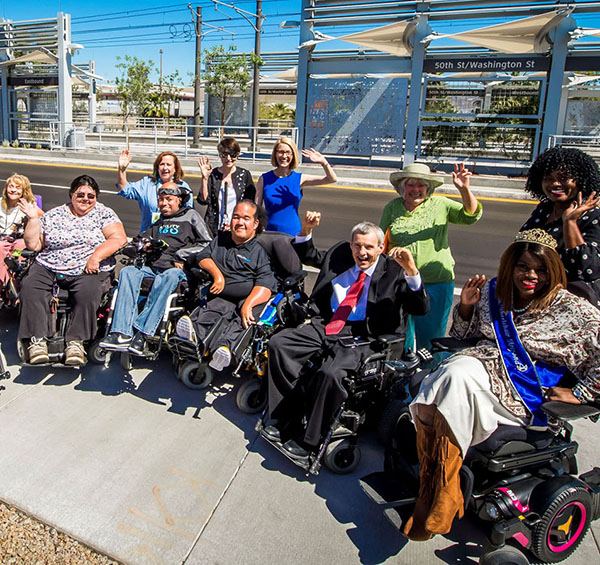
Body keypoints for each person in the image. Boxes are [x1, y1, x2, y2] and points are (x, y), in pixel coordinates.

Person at [404, 229, 600, 542]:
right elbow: (466, 337)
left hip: (522, 395)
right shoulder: (495, 292)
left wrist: (580, 393)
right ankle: (439, 487)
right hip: (477, 372)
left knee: (451, 378)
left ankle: (439, 496)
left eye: (541, 269)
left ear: (553, 270)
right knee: (435, 390)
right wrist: (466, 307)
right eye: (523, 267)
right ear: (511, 266)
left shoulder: (573, 310)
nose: (531, 275)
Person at [262, 211, 429, 459]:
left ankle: (311, 439)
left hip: (366, 335)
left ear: (381, 247)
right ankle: (284, 416)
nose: (362, 253)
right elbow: (309, 256)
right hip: (329, 322)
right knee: (279, 344)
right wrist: (306, 230)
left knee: (331, 373)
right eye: (358, 246)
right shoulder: (341, 253)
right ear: (351, 244)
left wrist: (412, 272)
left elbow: (420, 308)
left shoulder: (394, 270)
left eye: (369, 248)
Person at [18, 175, 127, 366]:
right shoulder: (55, 214)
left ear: (96, 197)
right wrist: (33, 219)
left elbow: (118, 239)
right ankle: (37, 340)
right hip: (50, 264)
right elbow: (34, 244)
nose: (85, 198)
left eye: (91, 196)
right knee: (31, 284)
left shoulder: (104, 214)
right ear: (72, 194)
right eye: (81, 194)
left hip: (88, 267)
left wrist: (95, 257)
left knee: (89, 291)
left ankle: (76, 343)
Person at [380, 162, 482, 354]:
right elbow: (380, 240)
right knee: (402, 333)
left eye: (421, 185)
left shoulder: (440, 204)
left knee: (432, 336)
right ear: (402, 186)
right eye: (411, 184)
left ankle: (431, 377)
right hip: (403, 282)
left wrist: (464, 189)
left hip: (436, 281)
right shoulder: (392, 208)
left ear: (428, 188)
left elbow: (470, 215)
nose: (416, 189)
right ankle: (405, 374)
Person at [100, 184, 212, 355]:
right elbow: (139, 239)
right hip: (153, 268)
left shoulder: (191, 216)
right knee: (127, 272)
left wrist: (182, 254)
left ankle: (143, 333)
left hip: (178, 270)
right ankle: (121, 332)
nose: (164, 203)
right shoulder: (159, 221)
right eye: (161, 199)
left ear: (179, 200)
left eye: (169, 199)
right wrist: (143, 246)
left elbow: (207, 243)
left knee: (167, 276)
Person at [178, 200, 277, 372]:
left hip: (248, 297)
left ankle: (224, 350)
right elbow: (203, 256)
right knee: (212, 309)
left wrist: (248, 304)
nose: (240, 222)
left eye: (245, 218)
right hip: (221, 294)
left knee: (245, 319)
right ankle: (191, 336)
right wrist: (217, 276)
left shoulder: (260, 250)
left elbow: (265, 284)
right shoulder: (221, 239)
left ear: (255, 223)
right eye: (236, 217)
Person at [520, 145, 600, 308]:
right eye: (548, 178)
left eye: (563, 178)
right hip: (535, 295)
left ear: (580, 180)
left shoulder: (593, 215)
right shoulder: (544, 209)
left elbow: (587, 269)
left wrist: (570, 222)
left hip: (570, 304)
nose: (555, 184)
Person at [255, 137, 337, 236]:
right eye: (280, 152)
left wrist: (324, 162)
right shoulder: (264, 179)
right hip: (269, 233)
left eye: (288, 152)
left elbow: (331, 179)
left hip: (293, 233)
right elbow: (256, 210)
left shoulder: (299, 179)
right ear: (275, 154)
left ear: (293, 155)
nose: (284, 156)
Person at [117, 149, 193, 232]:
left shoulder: (182, 187)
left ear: (175, 169)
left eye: (169, 164)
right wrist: (122, 170)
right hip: (148, 234)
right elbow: (125, 189)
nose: (165, 167)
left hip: (173, 235)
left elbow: (189, 213)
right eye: (162, 164)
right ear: (157, 167)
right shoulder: (147, 183)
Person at [197, 137, 256, 236]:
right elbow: (203, 200)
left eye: (232, 155)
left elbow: (251, 203)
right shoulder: (213, 174)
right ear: (220, 155)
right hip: (214, 229)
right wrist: (204, 178)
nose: (228, 158)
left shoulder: (244, 175)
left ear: (237, 155)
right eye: (224, 155)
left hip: (237, 228)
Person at [0, 173, 43, 292]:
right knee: (0, 248)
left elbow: (44, 220)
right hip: (3, 239)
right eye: (11, 186)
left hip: (20, 239)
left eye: (17, 187)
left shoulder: (29, 206)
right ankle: (2, 285)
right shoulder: (0, 203)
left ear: (24, 191)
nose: (13, 190)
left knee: (19, 249)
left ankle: (15, 284)